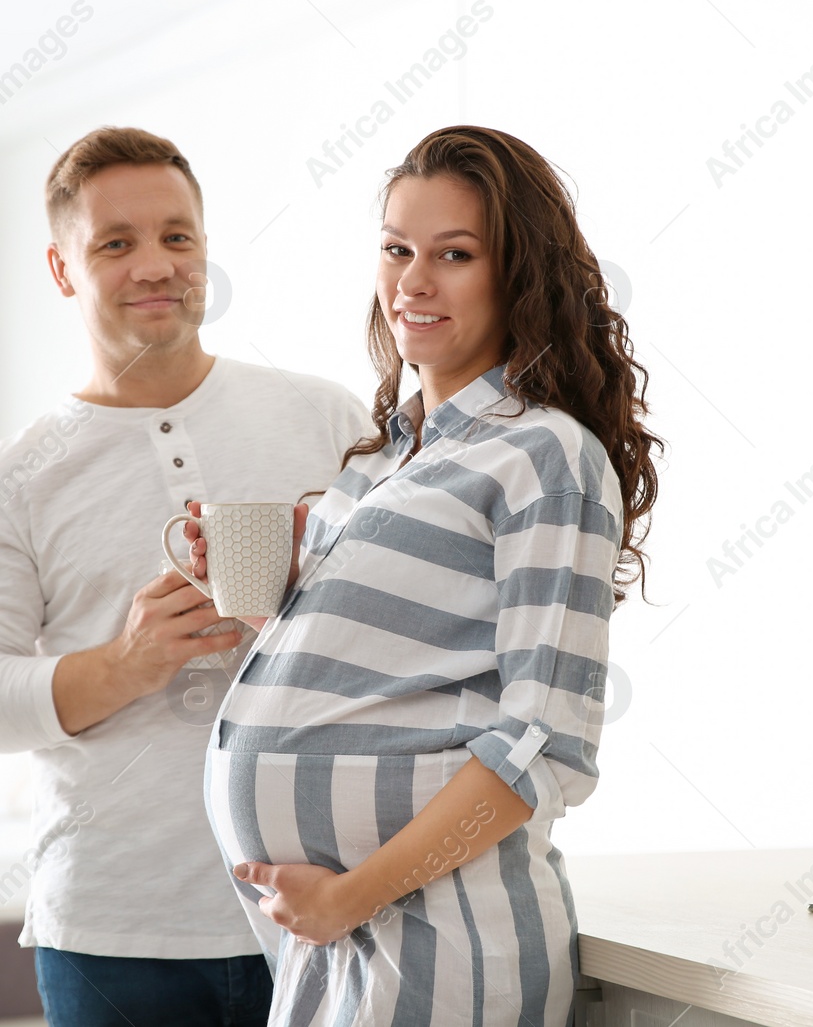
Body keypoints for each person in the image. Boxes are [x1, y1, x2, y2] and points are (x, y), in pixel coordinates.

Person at [197, 125, 661, 1026]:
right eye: (398, 248)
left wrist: (352, 893)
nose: (414, 280)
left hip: (445, 945)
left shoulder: (545, 455)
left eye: (454, 254)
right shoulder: (380, 460)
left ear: (517, 274)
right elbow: (379, 684)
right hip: (334, 943)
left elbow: (546, 742)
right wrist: (275, 608)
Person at [0, 126, 371, 1027]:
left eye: (177, 236)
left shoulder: (327, 417)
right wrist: (126, 661)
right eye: (115, 244)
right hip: (115, 935)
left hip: (326, 904)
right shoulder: (11, 480)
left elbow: (413, 623)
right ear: (62, 270)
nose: (156, 265)